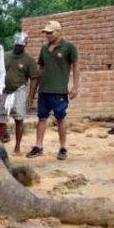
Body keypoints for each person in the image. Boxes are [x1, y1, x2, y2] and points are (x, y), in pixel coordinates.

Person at [27, 21, 79, 161]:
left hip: (59, 91)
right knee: (41, 118)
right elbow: (41, 69)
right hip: (44, 90)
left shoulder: (68, 47)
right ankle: (38, 146)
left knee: (60, 119)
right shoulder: (44, 49)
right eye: (46, 33)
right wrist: (34, 91)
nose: (48, 35)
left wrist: (75, 86)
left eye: (50, 33)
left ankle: (62, 147)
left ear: (58, 31)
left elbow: (75, 66)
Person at [0, 32, 40, 154]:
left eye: (20, 45)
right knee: (0, 118)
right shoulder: (5, 56)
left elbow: (34, 78)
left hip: (19, 91)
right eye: (16, 45)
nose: (18, 47)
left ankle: (17, 147)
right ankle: (0, 145)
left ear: (25, 45)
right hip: (3, 90)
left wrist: (30, 96)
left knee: (19, 119)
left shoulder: (28, 60)